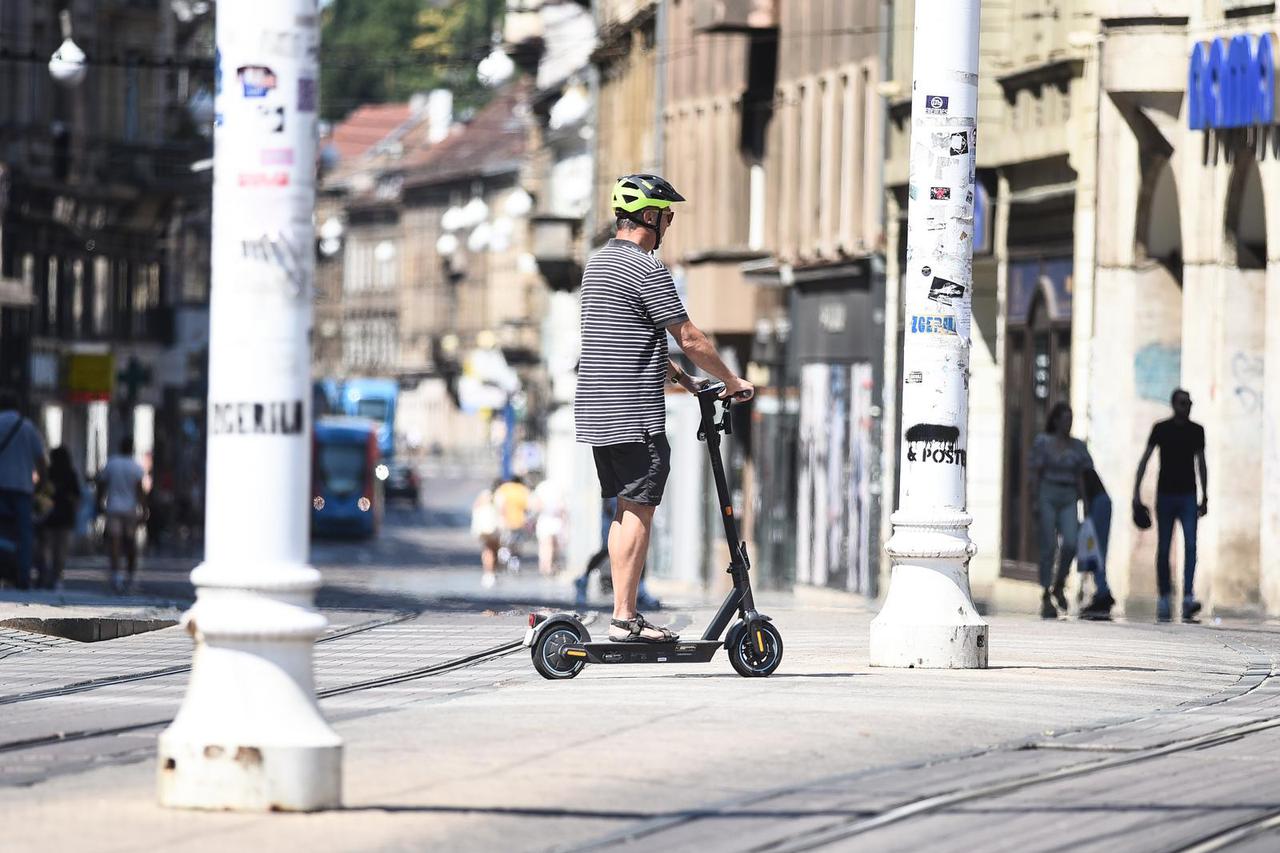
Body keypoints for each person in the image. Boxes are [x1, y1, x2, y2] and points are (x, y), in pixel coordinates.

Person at [575, 173, 753, 643]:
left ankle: (621, 611)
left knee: (624, 509)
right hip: (633, 413)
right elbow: (688, 336)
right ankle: (624, 618)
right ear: (649, 216)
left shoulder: (596, 264)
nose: (670, 222)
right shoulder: (646, 268)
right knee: (640, 509)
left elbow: (629, 335)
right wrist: (730, 380)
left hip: (596, 411)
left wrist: (682, 379)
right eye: (668, 214)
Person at [1134, 388, 1208, 622]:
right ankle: (1164, 596)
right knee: (1164, 547)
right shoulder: (1161, 429)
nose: (1187, 406)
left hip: (1188, 495)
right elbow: (1145, 460)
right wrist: (1136, 493)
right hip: (1165, 495)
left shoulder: (1197, 431)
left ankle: (1187, 595)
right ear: (1174, 404)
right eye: (1183, 403)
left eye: (1189, 403)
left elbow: (1202, 464)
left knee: (1191, 545)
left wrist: (1205, 496)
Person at [1027, 402, 1093, 619]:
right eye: (1065, 419)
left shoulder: (1077, 446)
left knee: (1072, 542)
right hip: (1048, 492)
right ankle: (1046, 591)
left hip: (1069, 496)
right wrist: (1035, 499)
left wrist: (1086, 502)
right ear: (1056, 420)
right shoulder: (1043, 442)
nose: (1068, 423)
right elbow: (1035, 471)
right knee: (1048, 545)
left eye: (1071, 419)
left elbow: (1083, 475)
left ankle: (1060, 582)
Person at [0, 389, 48, 589]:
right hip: (22, 488)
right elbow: (41, 461)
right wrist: (41, 486)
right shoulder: (27, 427)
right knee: (25, 533)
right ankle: (23, 575)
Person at [97, 436, 146, 593]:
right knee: (130, 543)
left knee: (115, 543)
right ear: (131, 448)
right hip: (130, 509)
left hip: (113, 508)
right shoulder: (136, 467)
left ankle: (116, 576)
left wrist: (98, 502)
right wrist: (144, 509)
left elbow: (102, 484)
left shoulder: (112, 463)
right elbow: (140, 491)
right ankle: (130, 576)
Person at [37, 446, 82, 590]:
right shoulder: (71, 474)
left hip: (49, 515)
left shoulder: (49, 473)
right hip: (66, 516)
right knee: (61, 549)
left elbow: (42, 493)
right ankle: (57, 577)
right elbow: (76, 497)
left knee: (47, 548)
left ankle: (45, 575)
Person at [1079, 468, 1114, 620]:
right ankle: (1101, 590)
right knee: (1097, 549)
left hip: (1098, 503)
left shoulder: (1076, 462)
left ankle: (1103, 592)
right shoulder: (1082, 461)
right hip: (1102, 501)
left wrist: (1086, 510)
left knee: (1096, 550)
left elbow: (1081, 486)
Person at [531, 477, 566, 576]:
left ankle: (545, 566)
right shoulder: (558, 489)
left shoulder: (540, 488)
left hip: (545, 520)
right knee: (552, 546)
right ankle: (549, 566)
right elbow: (562, 508)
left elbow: (536, 505)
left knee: (545, 545)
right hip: (554, 521)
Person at [471, 481, 501, 588]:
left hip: (484, 528)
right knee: (492, 550)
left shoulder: (484, 494)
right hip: (493, 527)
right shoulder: (499, 496)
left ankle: (489, 573)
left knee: (487, 550)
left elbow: (475, 507)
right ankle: (490, 573)